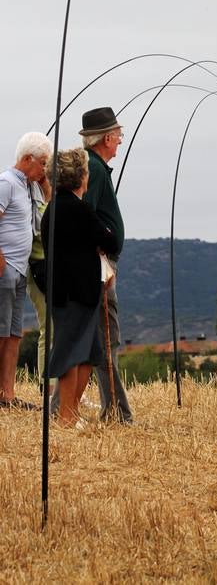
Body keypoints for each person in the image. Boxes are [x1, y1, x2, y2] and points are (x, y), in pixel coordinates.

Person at [42, 148, 118, 426]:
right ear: (80, 177)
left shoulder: (53, 209)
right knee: (72, 351)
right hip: (78, 293)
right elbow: (110, 241)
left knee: (88, 351)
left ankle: (72, 414)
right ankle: (65, 416)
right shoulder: (79, 208)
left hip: (64, 291)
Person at [79, 107, 132, 423]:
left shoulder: (95, 167)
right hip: (100, 265)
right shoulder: (96, 170)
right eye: (118, 135)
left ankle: (114, 411)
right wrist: (103, 248)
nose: (121, 141)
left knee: (101, 339)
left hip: (99, 263)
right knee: (107, 338)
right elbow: (87, 216)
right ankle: (117, 413)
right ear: (107, 138)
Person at [0, 132, 53, 408]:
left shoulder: (29, 186)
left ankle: (7, 395)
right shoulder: (7, 183)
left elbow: (48, 206)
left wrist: (44, 181)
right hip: (6, 268)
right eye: (43, 163)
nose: (45, 169)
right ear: (27, 159)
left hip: (20, 270)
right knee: (1, 333)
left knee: (13, 334)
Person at [26, 174, 53, 394]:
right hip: (39, 271)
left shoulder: (51, 195)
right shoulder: (31, 198)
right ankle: (49, 388)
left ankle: (61, 388)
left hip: (55, 271)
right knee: (49, 328)